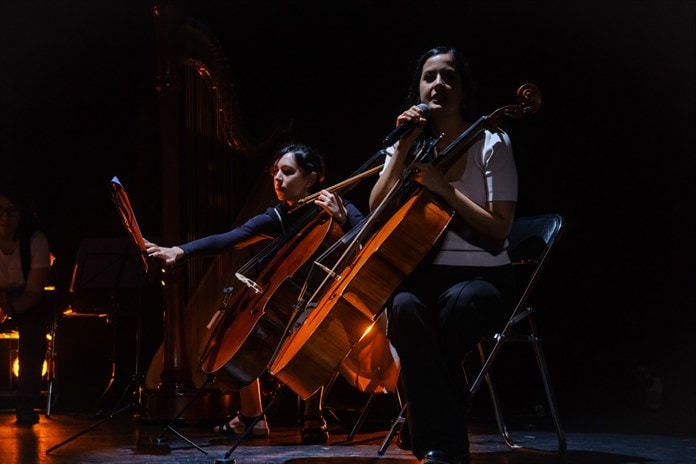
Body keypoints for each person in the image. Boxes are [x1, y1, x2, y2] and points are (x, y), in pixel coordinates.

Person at [145, 144, 364, 444]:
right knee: (242, 328)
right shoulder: (277, 216)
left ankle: (313, 413)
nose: (278, 178)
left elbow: (367, 239)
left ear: (311, 179)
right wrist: (180, 251)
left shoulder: (339, 207)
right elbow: (229, 239)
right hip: (285, 297)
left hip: (323, 298)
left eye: (287, 172)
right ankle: (252, 415)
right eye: (275, 172)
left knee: (322, 333)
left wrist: (342, 220)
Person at [369, 46, 518, 464]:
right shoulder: (410, 146)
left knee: (460, 308)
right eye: (429, 76)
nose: (439, 84)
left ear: (463, 88)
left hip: (483, 276)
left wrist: (441, 187)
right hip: (420, 272)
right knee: (403, 307)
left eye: (449, 76)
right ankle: (447, 434)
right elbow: (377, 211)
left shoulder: (492, 141)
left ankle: (439, 442)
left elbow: (499, 228)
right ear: (418, 88)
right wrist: (401, 151)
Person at [0, 186, 52, 426]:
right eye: (0, 211)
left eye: (11, 211)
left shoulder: (35, 241)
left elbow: (34, 292)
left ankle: (25, 404)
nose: (5, 218)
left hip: (25, 296)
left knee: (34, 333)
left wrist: (9, 308)